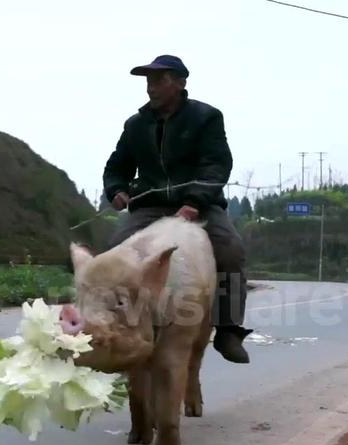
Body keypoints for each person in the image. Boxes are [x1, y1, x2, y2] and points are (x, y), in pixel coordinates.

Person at [103, 54, 252, 364]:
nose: (151, 88)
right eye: (148, 82)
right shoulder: (135, 125)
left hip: (199, 203)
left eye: (159, 80)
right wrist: (116, 190)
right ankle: (109, 326)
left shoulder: (206, 117)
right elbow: (117, 166)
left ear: (181, 83)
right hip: (150, 206)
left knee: (230, 250)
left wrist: (194, 202)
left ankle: (227, 328)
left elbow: (216, 164)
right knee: (113, 254)